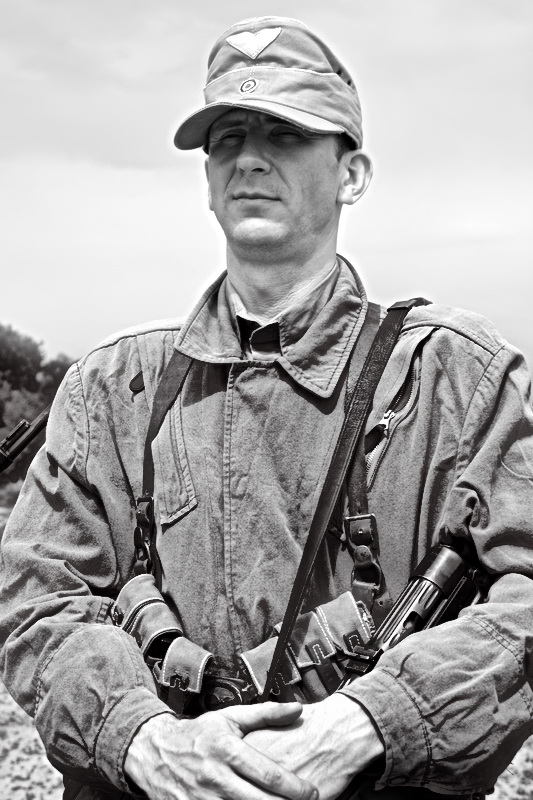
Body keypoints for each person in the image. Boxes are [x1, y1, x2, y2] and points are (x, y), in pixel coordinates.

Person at [1, 15, 533, 800]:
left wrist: (374, 721)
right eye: (226, 138)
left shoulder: (455, 375)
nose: (249, 157)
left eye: (284, 134)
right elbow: (37, 599)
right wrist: (143, 739)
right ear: (207, 179)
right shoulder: (114, 386)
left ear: (352, 174)